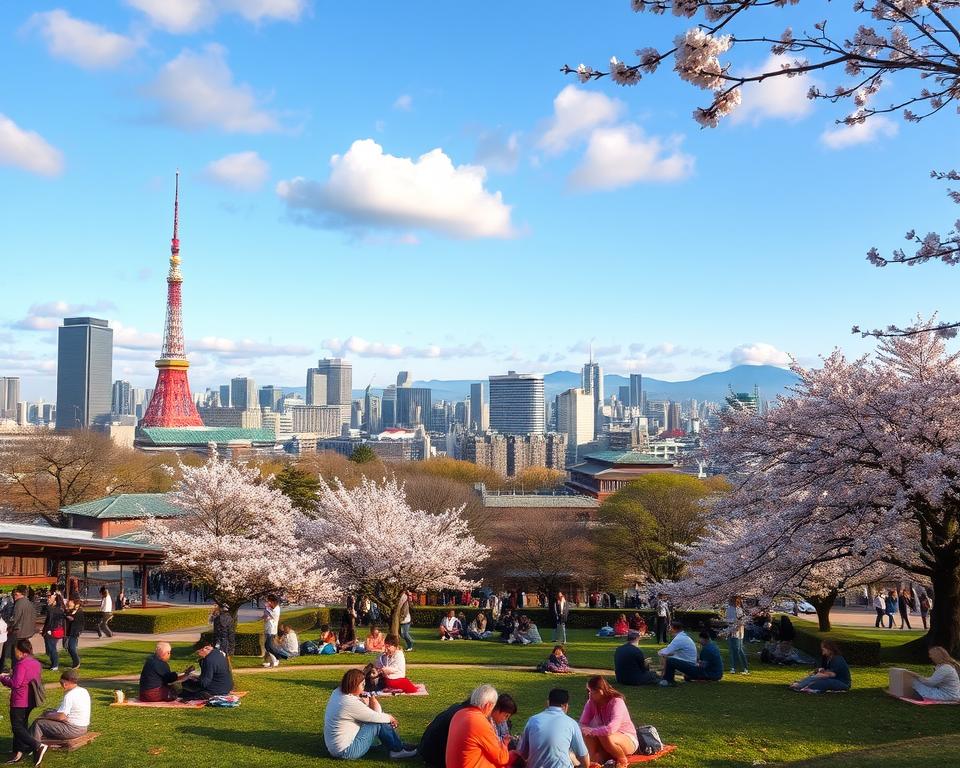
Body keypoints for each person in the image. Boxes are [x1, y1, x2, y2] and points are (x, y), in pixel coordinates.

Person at [323, 668, 417, 760]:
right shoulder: (349, 703)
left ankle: (399, 745)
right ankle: (397, 750)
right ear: (354, 685)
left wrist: (370, 700)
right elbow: (376, 716)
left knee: (377, 720)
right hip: (346, 751)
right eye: (362, 685)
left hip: (335, 748)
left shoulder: (337, 693)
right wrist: (390, 717)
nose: (364, 687)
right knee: (377, 722)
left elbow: (371, 714)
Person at [517, 688, 590, 768]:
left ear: (548, 703)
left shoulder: (533, 720)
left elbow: (522, 753)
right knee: (571, 755)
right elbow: (584, 757)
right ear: (565, 706)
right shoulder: (571, 723)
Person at [0, 640, 44, 766]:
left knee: (17, 727)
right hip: (30, 700)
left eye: (15, 651)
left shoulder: (21, 664)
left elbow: (16, 683)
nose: (15, 653)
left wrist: (3, 678)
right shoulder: (35, 663)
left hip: (20, 700)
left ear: (20, 651)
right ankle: (18, 752)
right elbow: (27, 678)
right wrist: (12, 675)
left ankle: (38, 745)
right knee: (22, 726)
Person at [579, 676, 639, 768]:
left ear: (600, 691)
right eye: (589, 691)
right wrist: (586, 730)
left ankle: (622, 759)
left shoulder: (617, 702)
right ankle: (593, 759)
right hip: (605, 740)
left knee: (602, 734)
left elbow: (611, 728)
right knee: (587, 734)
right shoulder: (591, 703)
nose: (589, 695)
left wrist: (593, 731)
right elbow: (582, 723)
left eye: (591, 692)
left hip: (626, 737)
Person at [445, 684, 510, 768]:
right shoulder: (480, 722)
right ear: (488, 705)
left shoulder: (459, 714)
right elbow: (501, 758)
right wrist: (504, 744)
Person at [30, 668, 90, 748]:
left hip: (73, 730)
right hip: (83, 728)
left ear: (65, 683)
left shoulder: (69, 695)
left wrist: (46, 715)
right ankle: (33, 740)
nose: (61, 685)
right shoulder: (83, 690)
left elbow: (62, 716)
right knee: (50, 712)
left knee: (38, 723)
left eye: (61, 683)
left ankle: (34, 747)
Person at [7, 587, 36, 671]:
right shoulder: (29, 603)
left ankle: (16, 669)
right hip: (28, 631)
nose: (14, 596)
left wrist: (9, 627)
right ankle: (28, 666)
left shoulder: (19, 603)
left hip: (19, 632)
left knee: (17, 652)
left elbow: (14, 619)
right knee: (26, 651)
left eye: (15, 594)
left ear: (20, 594)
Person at [725, 596, 749, 675]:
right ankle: (735, 667)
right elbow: (728, 620)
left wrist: (736, 626)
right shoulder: (730, 609)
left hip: (738, 632)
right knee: (734, 649)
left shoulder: (739, 609)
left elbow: (741, 621)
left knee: (738, 649)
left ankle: (741, 667)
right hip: (732, 631)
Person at [42, 593, 66, 672]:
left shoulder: (54, 609)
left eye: (50, 598)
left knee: (52, 648)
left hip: (52, 632)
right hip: (50, 631)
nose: (48, 599)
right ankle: (54, 664)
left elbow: (53, 621)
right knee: (50, 649)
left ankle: (55, 665)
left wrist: (49, 630)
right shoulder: (55, 609)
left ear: (55, 600)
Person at [262, 594, 283, 667]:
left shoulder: (276, 609)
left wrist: (266, 608)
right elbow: (265, 617)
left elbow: (268, 615)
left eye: (269, 601)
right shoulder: (270, 608)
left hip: (272, 630)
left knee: (268, 646)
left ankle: (276, 659)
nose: (268, 603)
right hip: (268, 629)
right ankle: (271, 661)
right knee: (268, 646)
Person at [64, 599, 84, 670]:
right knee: (69, 647)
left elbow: (80, 622)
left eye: (71, 603)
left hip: (75, 632)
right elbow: (66, 613)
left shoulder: (79, 612)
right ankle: (75, 662)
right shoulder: (70, 611)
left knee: (71, 647)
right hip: (70, 632)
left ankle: (76, 662)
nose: (69, 605)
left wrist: (72, 619)